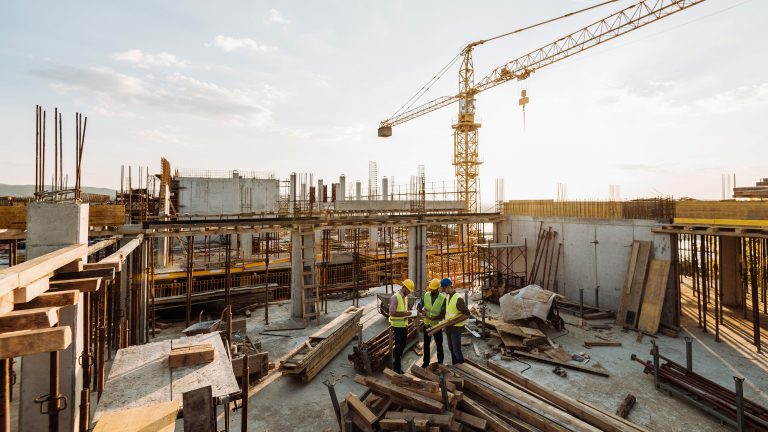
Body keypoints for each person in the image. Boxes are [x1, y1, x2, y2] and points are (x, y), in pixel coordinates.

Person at [417, 278, 445, 367]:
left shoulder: (442, 298)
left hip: (436, 325)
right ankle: (426, 362)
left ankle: (440, 363)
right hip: (427, 324)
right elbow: (419, 307)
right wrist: (422, 311)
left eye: (434, 289)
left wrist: (436, 317)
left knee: (439, 344)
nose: (432, 290)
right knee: (426, 344)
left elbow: (443, 314)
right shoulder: (426, 295)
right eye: (431, 288)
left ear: (438, 288)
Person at [441, 277, 471, 365]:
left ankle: (462, 367)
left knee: (456, 350)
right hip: (449, 326)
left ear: (449, 286)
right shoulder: (448, 296)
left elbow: (467, 314)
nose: (443, 290)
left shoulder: (458, 298)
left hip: (456, 327)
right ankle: (455, 366)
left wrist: (454, 322)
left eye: (444, 288)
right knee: (451, 348)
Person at [389, 278, 414, 374]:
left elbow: (404, 310)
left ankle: (396, 360)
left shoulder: (405, 297)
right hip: (397, 326)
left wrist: (409, 315)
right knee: (399, 346)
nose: (409, 292)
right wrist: (405, 314)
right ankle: (397, 368)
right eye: (408, 290)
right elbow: (392, 313)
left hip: (404, 325)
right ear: (404, 287)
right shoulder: (395, 297)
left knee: (403, 345)